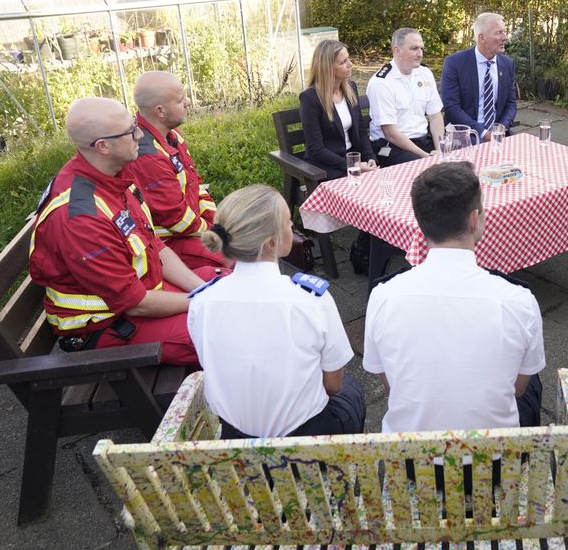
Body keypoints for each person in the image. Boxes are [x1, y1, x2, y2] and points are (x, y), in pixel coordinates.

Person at [29, 97, 218, 365]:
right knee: (225, 334)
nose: (140, 134)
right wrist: (205, 302)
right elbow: (136, 303)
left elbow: (156, 247)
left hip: (140, 298)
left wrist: (203, 290)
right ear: (103, 146)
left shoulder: (114, 176)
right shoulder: (81, 218)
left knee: (227, 286)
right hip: (106, 330)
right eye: (130, 131)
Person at [363, 162, 545, 432]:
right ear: (474, 219)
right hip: (494, 467)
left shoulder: (383, 297)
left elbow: (392, 386)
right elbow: (518, 389)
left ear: (421, 222)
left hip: (409, 466)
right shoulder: (519, 301)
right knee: (532, 382)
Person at [187, 184, 365, 439]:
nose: (292, 229)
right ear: (271, 242)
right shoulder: (311, 300)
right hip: (306, 444)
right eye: (289, 224)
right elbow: (333, 385)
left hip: (235, 442)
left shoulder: (202, 302)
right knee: (351, 390)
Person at [127, 71, 225, 270]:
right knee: (237, 258)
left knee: (242, 247)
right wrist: (215, 232)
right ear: (160, 111)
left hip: (189, 231)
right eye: (180, 100)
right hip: (169, 244)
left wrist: (216, 222)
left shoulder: (171, 136)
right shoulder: (148, 156)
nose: (187, 102)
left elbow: (194, 184)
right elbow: (177, 220)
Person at [366, 28, 445, 166]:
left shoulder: (424, 73)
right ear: (397, 50)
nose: (420, 54)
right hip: (392, 146)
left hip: (423, 141)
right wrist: (426, 157)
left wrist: (440, 149)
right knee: (424, 168)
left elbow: (435, 115)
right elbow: (390, 133)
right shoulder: (381, 82)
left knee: (454, 160)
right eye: (414, 48)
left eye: (421, 48)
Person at [300, 39, 377, 180]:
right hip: (325, 166)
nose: (350, 64)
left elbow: (360, 130)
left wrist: (370, 157)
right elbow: (316, 149)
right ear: (327, 68)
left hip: (352, 159)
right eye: (343, 62)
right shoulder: (310, 98)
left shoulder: (350, 88)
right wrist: (353, 166)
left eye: (348, 59)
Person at [440, 12, 517, 140]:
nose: (505, 37)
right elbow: (451, 107)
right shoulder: (455, 63)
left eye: (504, 32)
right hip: (465, 135)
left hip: (498, 134)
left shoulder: (507, 64)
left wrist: (501, 128)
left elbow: (511, 104)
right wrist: (483, 133)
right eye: (499, 33)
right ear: (482, 38)